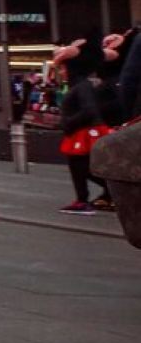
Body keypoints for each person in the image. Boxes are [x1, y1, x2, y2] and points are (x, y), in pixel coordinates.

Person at [53, 39, 121, 214]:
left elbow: (89, 109)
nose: (62, 71)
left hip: (83, 132)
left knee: (83, 167)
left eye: (63, 68)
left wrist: (69, 122)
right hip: (84, 131)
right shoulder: (82, 85)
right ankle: (93, 197)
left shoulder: (81, 86)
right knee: (83, 167)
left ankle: (86, 199)